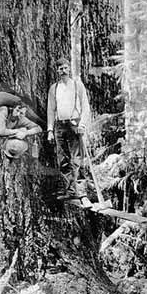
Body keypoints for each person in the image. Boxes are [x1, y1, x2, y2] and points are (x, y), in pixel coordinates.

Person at [47, 56, 91, 206]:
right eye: (60, 69)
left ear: (69, 68)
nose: (63, 71)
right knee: (63, 160)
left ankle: (82, 193)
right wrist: (49, 130)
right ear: (57, 71)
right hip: (59, 126)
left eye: (65, 68)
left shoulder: (77, 86)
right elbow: (51, 110)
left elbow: (85, 107)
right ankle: (70, 191)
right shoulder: (54, 88)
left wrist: (83, 124)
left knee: (77, 159)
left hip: (74, 125)